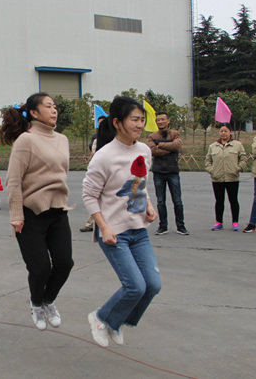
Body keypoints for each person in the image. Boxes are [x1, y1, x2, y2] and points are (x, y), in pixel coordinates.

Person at [82, 96, 160, 347]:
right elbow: (89, 195)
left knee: (153, 285)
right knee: (135, 286)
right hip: (114, 232)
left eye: (142, 120)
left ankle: (116, 321)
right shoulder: (104, 157)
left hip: (139, 230)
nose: (140, 125)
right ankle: (101, 317)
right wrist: (103, 228)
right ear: (118, 123)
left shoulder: (144, 151)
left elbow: (140, 186)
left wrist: (148, 206)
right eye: (134, 119)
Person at [0, 92, 74, 331]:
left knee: (64, 264)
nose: (54, 110)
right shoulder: (26, 140)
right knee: (41, 268)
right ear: (33, 112)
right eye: (48, 106)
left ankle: (48, 301)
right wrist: (16, 215)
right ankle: (36, 304)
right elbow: (13, 180)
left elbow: (61, 174)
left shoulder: (62, 139)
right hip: (31, 213)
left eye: (55, 106)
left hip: (58, 211)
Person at [147, 112, 189, 235]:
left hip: (173, 171)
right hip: (158, 172)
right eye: (158, 120)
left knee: (177, 201)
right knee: (160, 201)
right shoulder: (152, 136)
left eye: (163, 119)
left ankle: (181, 226)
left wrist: (160, 144)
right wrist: (169, 149)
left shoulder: (175, 133)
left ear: (168, 121)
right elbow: (153, 151)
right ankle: (163, 226)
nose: (160, 122)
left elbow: (176, 146)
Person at [205, 124, 247, 231]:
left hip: (232, 177)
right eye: (221, 131)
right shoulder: (213, 146)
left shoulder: (237, 145)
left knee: (233, 200)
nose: (223, 133)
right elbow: (208, 160)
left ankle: (235, 222)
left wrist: (239, 168)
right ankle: (219, 221)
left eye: (225, 131)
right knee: (219, 201)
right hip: (217, 178)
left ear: (230, 132)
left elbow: (243, 158)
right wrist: (211, 170)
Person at [79, 115, 106, 232]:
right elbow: (94, 152)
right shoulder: (96, 138)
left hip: (110, 172)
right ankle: (91, 223)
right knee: (94, 196)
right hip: (97, 171)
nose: (101, 125)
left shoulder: (115, 137)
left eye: (103, 123)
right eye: (99, 123)